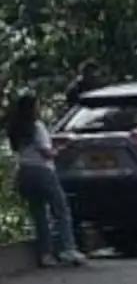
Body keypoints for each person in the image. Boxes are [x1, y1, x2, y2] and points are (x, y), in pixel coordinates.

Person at [6, 91, 87, 267]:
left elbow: (23, 150)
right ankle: (67, 248)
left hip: (25, 172)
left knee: (39, 214)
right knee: (61, 209)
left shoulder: (16, 129)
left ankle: (45, 254)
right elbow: (46, 153)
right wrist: (61, 150)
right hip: (42, 171)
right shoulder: (37, 126)